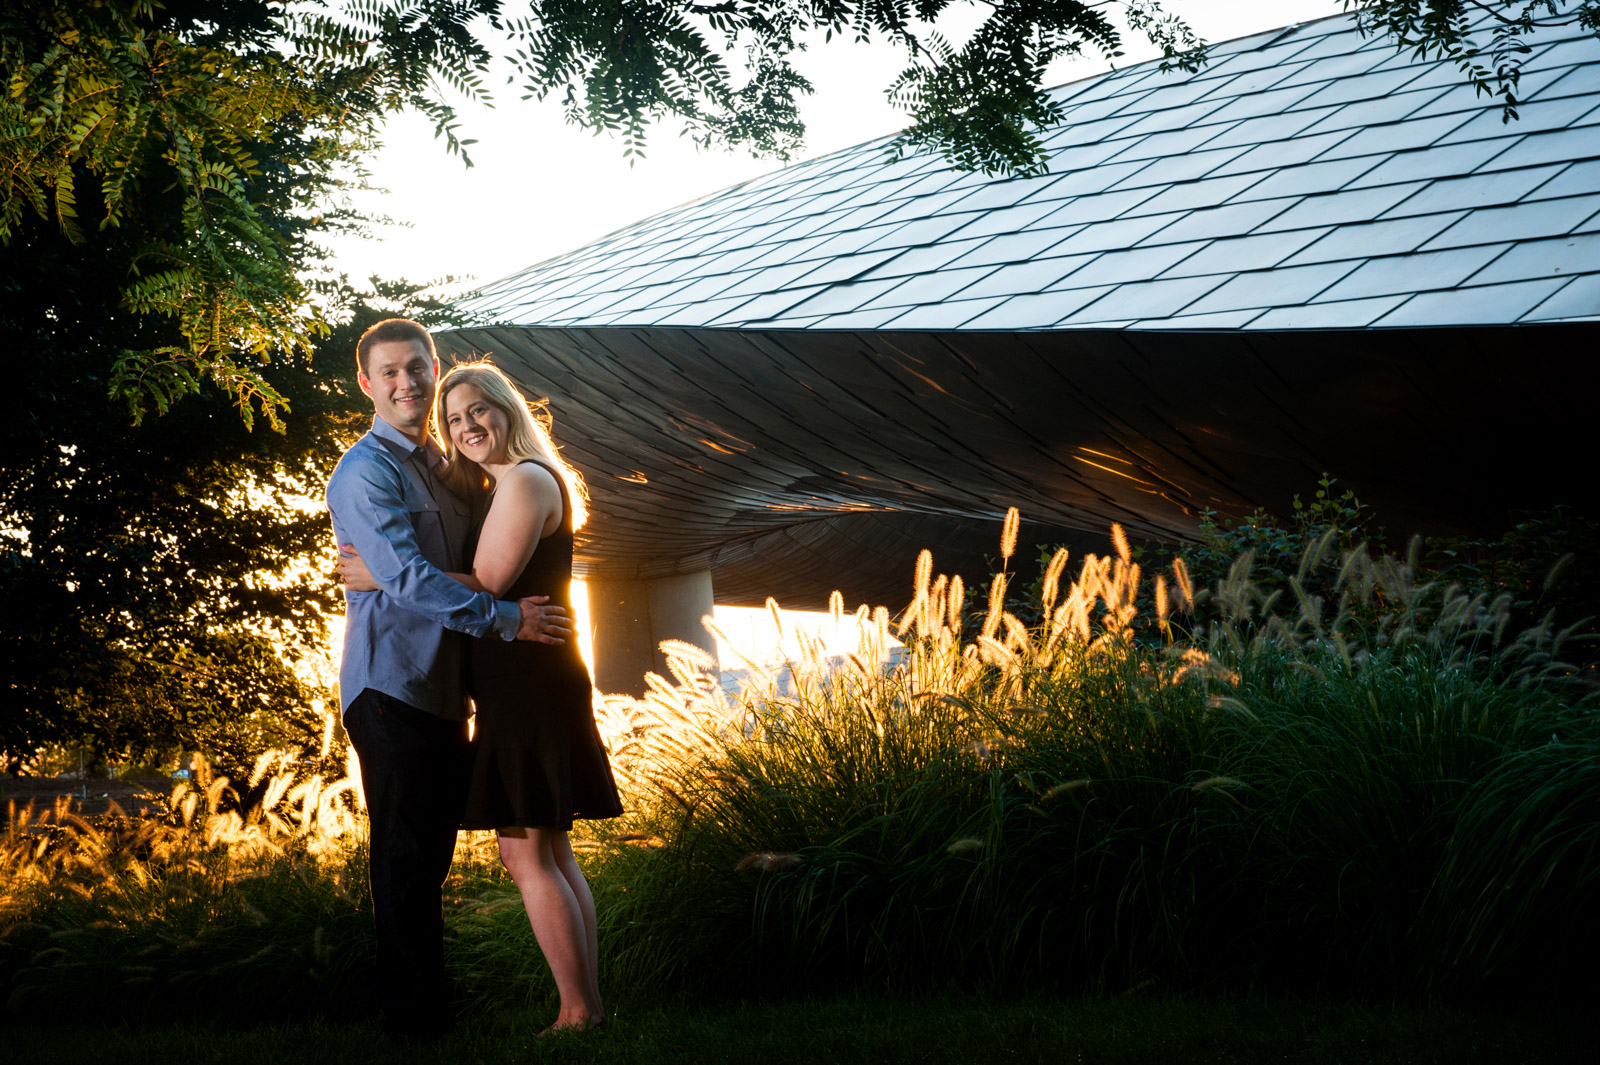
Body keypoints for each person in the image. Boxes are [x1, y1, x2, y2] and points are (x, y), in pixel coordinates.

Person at [341, 359, 623, 1033]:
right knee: (547, 849)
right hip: (524, 680)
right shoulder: (508, 483)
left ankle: (577, 1009)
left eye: (480, 411)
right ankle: (588, 1005)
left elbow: (490, 582)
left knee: (526, 850)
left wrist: (382, 575)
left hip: (527, 680)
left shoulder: (525, 480)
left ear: (510, 410)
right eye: (456, 417)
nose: (468, 426)